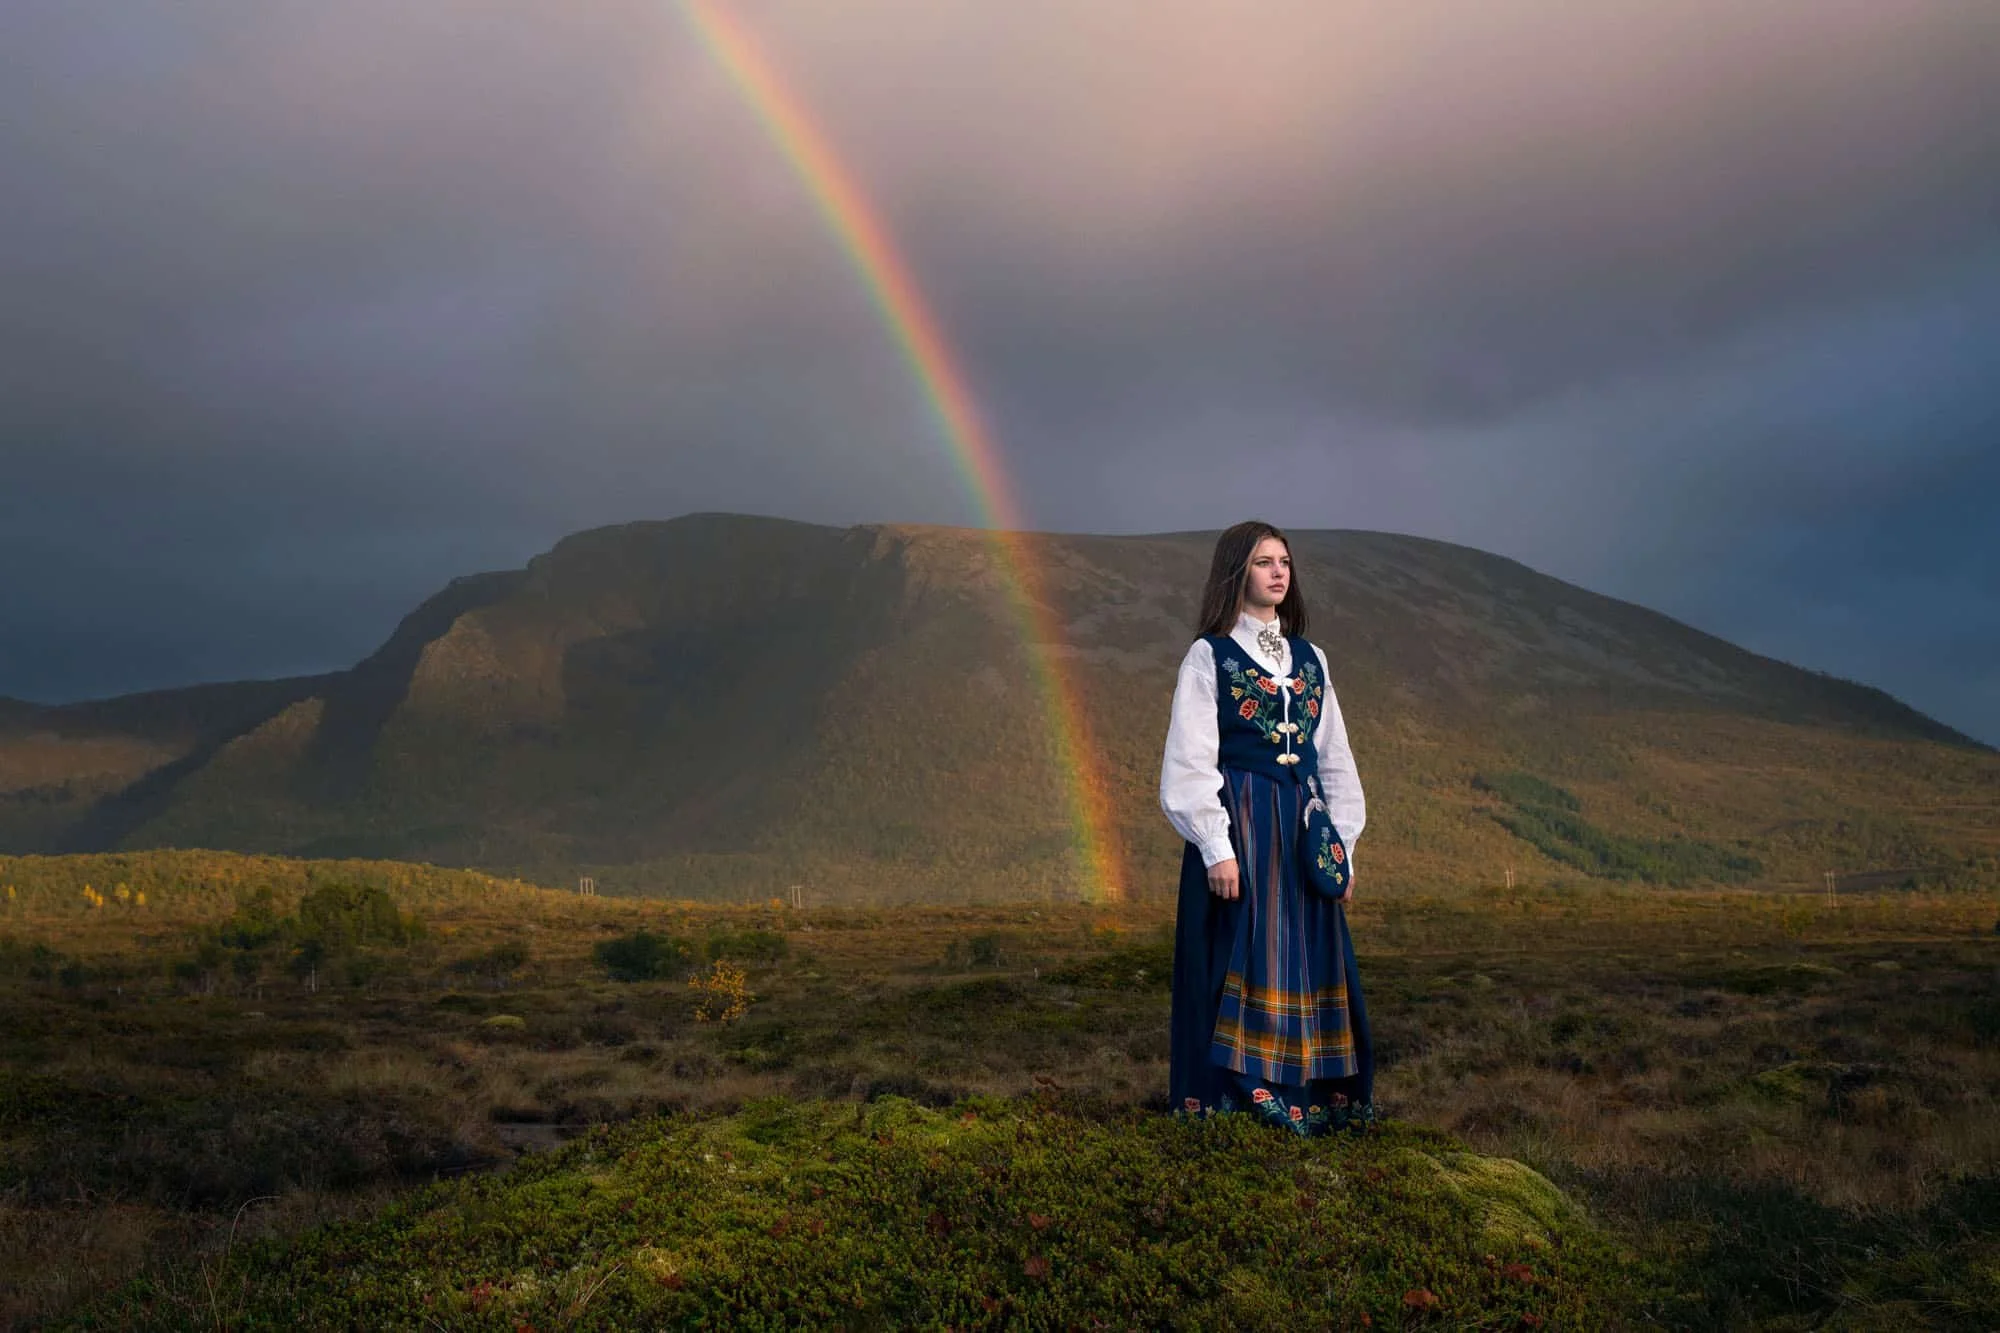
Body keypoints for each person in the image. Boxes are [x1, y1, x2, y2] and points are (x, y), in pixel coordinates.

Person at [1160, 520, 1373, 1135]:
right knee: (1247, 954)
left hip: (1304, 832)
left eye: (1284, 561)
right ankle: (1244, 1104)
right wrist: (1215, 847)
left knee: (1309, 956)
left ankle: (1315, 1100)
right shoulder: (1211, 656)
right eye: (1263, 562)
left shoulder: (1312, 658)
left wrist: (1343, 849)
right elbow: (1189, 760)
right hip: (1245, 829)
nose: (1279, 572)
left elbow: (1334, 756)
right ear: (1237, 572)